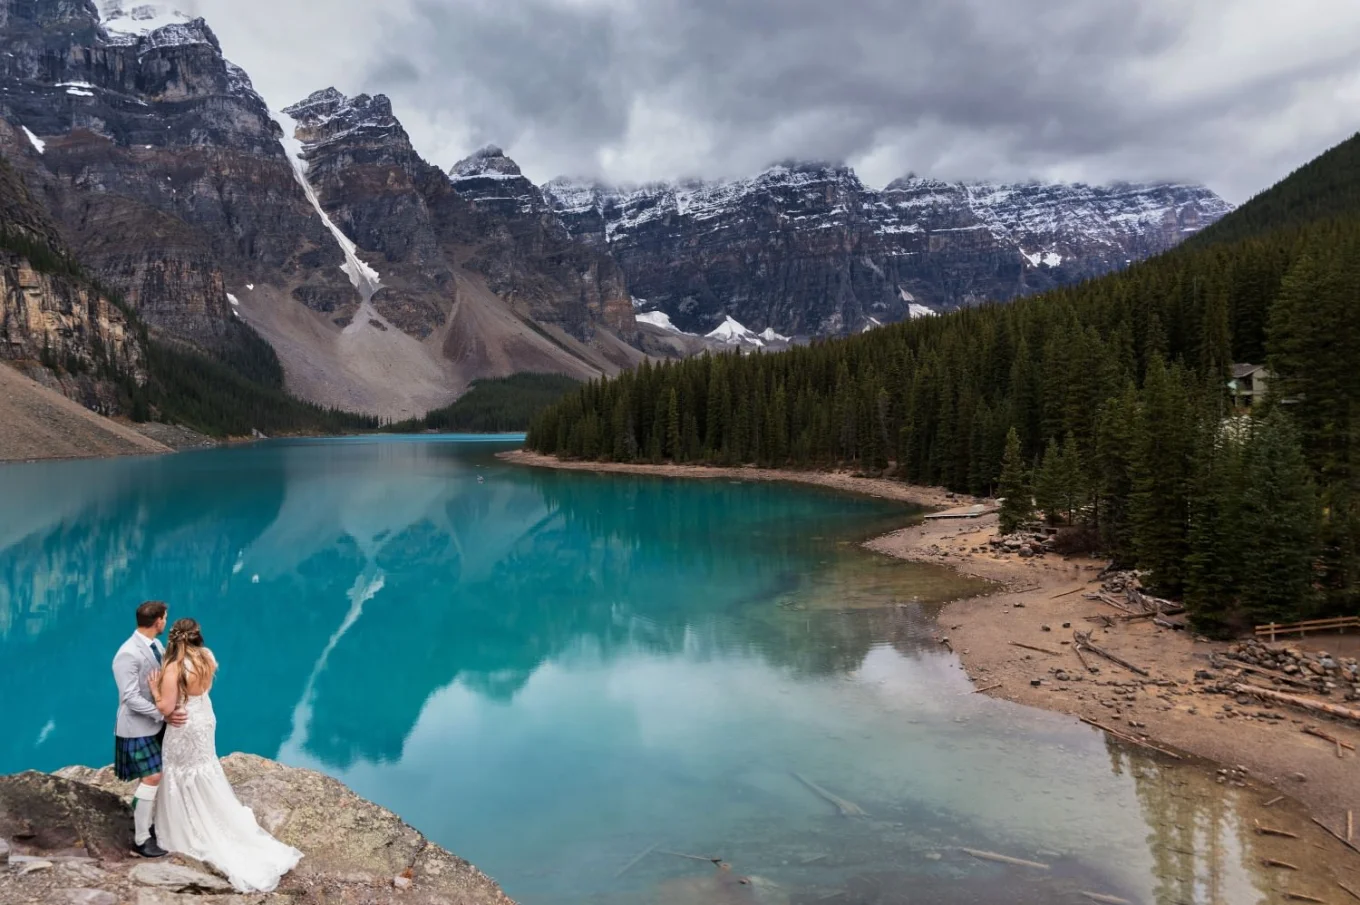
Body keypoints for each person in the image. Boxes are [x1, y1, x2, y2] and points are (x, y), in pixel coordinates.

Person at [151, 618, 303, 892]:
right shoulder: (206, 658)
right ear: (198, 638)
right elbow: (203, 688)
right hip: (205, 719)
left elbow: (166, 708)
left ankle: (186, 825)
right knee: (204, 767)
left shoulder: (174, 667)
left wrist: (154, 690)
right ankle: (214, 815)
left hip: (183, 724)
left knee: (179, 770)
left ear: (174, 639)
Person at [111, 600, 187, 858]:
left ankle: (150, 825)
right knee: (153, 776)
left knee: (159, 775)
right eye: (165, 618)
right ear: (158, 621)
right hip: (136, 726)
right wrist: (162, 714)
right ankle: (141, 839)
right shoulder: (127, 653)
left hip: (154, 725)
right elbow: (129, 697)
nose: (165, 622)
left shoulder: (156, 645)